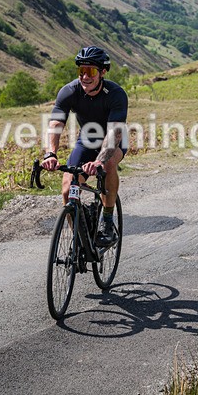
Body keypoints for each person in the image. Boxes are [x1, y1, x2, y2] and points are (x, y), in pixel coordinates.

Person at [41, 46, 128, 248]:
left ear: (103, 72)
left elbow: (114, 133)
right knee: (67, 188)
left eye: (91, 71)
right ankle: (79, 237)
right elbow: (55, 124)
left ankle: (107, 221)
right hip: (87, 139)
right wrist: (50, 154)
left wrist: (98, 161)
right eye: (81, 71)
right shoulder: (69, 91)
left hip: (114, 139)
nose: (85, 77)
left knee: (107, 166)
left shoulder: (116, 94)